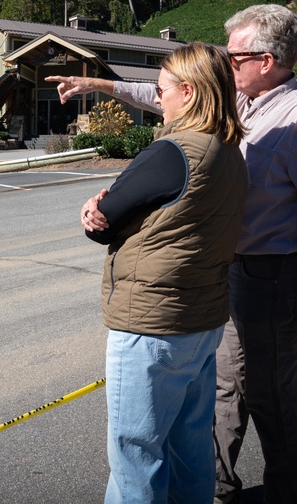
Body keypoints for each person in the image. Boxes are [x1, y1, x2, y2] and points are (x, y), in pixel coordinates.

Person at [51, 4, 297, 503]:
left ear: (267, 59)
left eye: (233, 57)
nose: (226, 65)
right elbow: (170, 96)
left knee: (273, 398)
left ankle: (286, 493)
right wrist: (100, 86)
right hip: (224, 274)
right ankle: (215, 489)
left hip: (274, 275)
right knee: (219, 394)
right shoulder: (241, 105)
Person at [79, 42, 248, 504]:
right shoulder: (228, 150)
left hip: (151, 326)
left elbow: (104, 223)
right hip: (202, 318)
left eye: (161, 90)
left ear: (189, 92)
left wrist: (93, 209)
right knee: (189, 444)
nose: (158, 99)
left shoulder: (173, 151)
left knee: (135, 452)